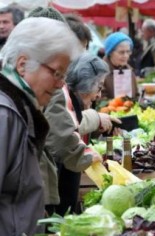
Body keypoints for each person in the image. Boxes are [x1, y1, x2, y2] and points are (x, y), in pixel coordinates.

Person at [0, 17, 82, 235]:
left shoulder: (18, 109)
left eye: (63, 75)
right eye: (56, 73)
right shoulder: (5, 114)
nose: (60, 84)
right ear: (22, 64)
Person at [44, 52, 116, 216]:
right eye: (98, 87)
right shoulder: (60, 96)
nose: (98, 95)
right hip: (51, 181)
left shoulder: (69, 96)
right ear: (85, 84)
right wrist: (88, 156)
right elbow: (62, 141)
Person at [102, 31, 138, 99]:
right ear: (110, 53)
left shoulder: (130, 71)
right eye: (121, 52)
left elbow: (136, 95)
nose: (126, 56)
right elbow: (100, 101)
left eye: (128, 51)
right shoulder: (100, 72)